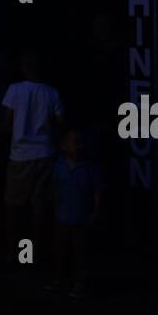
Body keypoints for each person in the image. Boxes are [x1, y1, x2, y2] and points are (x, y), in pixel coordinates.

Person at [1, 50, 63, 269]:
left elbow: (8, 121)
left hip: (20, 155)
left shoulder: (15, 90)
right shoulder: (51, 92)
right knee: (39, 206)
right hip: (45, 153)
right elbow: (59, 123)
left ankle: (16, 253)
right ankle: (34, 253)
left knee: (15, 206)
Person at [48, 127, 103, 297]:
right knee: (60, 251)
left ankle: (79, 283)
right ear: (64, 146)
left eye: (80, 143)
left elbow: (98, 192)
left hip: (81, 219)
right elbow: (55, 190)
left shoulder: (90, 167)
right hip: (62, 218)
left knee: (80, 254)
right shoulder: (58, 167)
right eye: (75, 142)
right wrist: (55, 211)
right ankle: (59, 281)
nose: (79, 146)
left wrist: (95, 213)